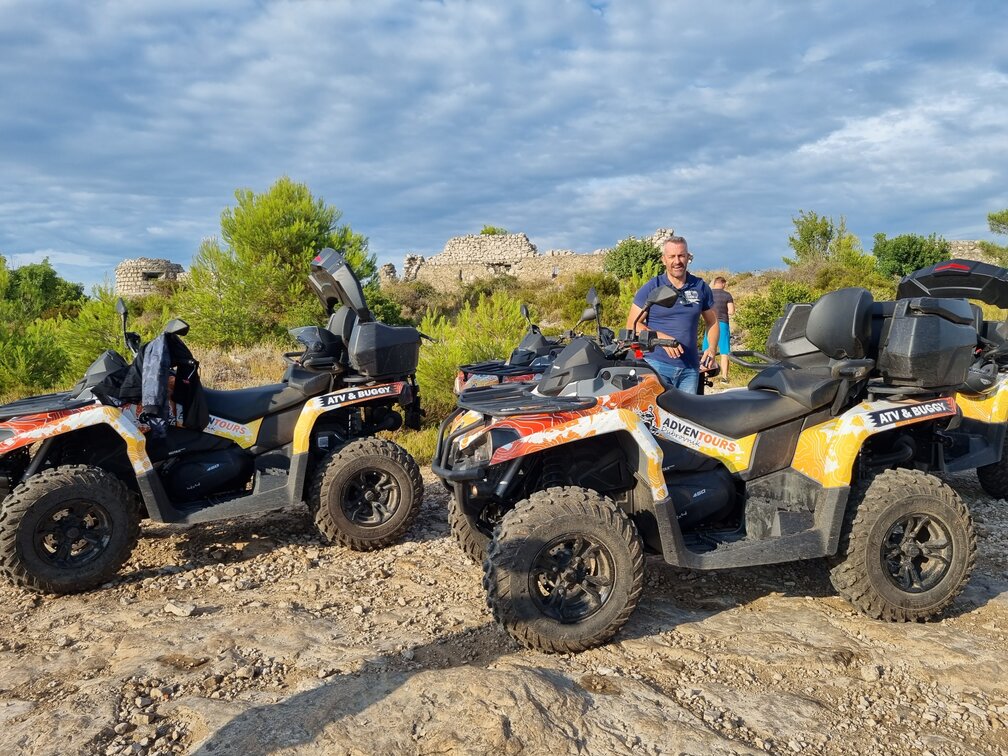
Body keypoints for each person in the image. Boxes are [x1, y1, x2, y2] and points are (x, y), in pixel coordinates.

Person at [626, 236, 718, 393]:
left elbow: (713, 321)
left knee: (686, 416)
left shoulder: (700, 287)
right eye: (672, 257)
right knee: (656, 416)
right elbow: (632, 325)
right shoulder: (652, 287)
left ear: (688, 257)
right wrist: (661, 339)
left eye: (682, 255)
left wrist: (712, 349)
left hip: (690, 369)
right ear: (664, 259)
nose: (677, 261)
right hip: (657, 365)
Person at [702, 276, 735, 384]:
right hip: (723, 323)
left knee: (707, 350)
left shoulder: (708, 293)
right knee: (724, 351)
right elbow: (731, 311)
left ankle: (705, 375)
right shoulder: (727, 295)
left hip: (710, 324)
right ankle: (724, 377)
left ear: (715, 283)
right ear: (723, 284)